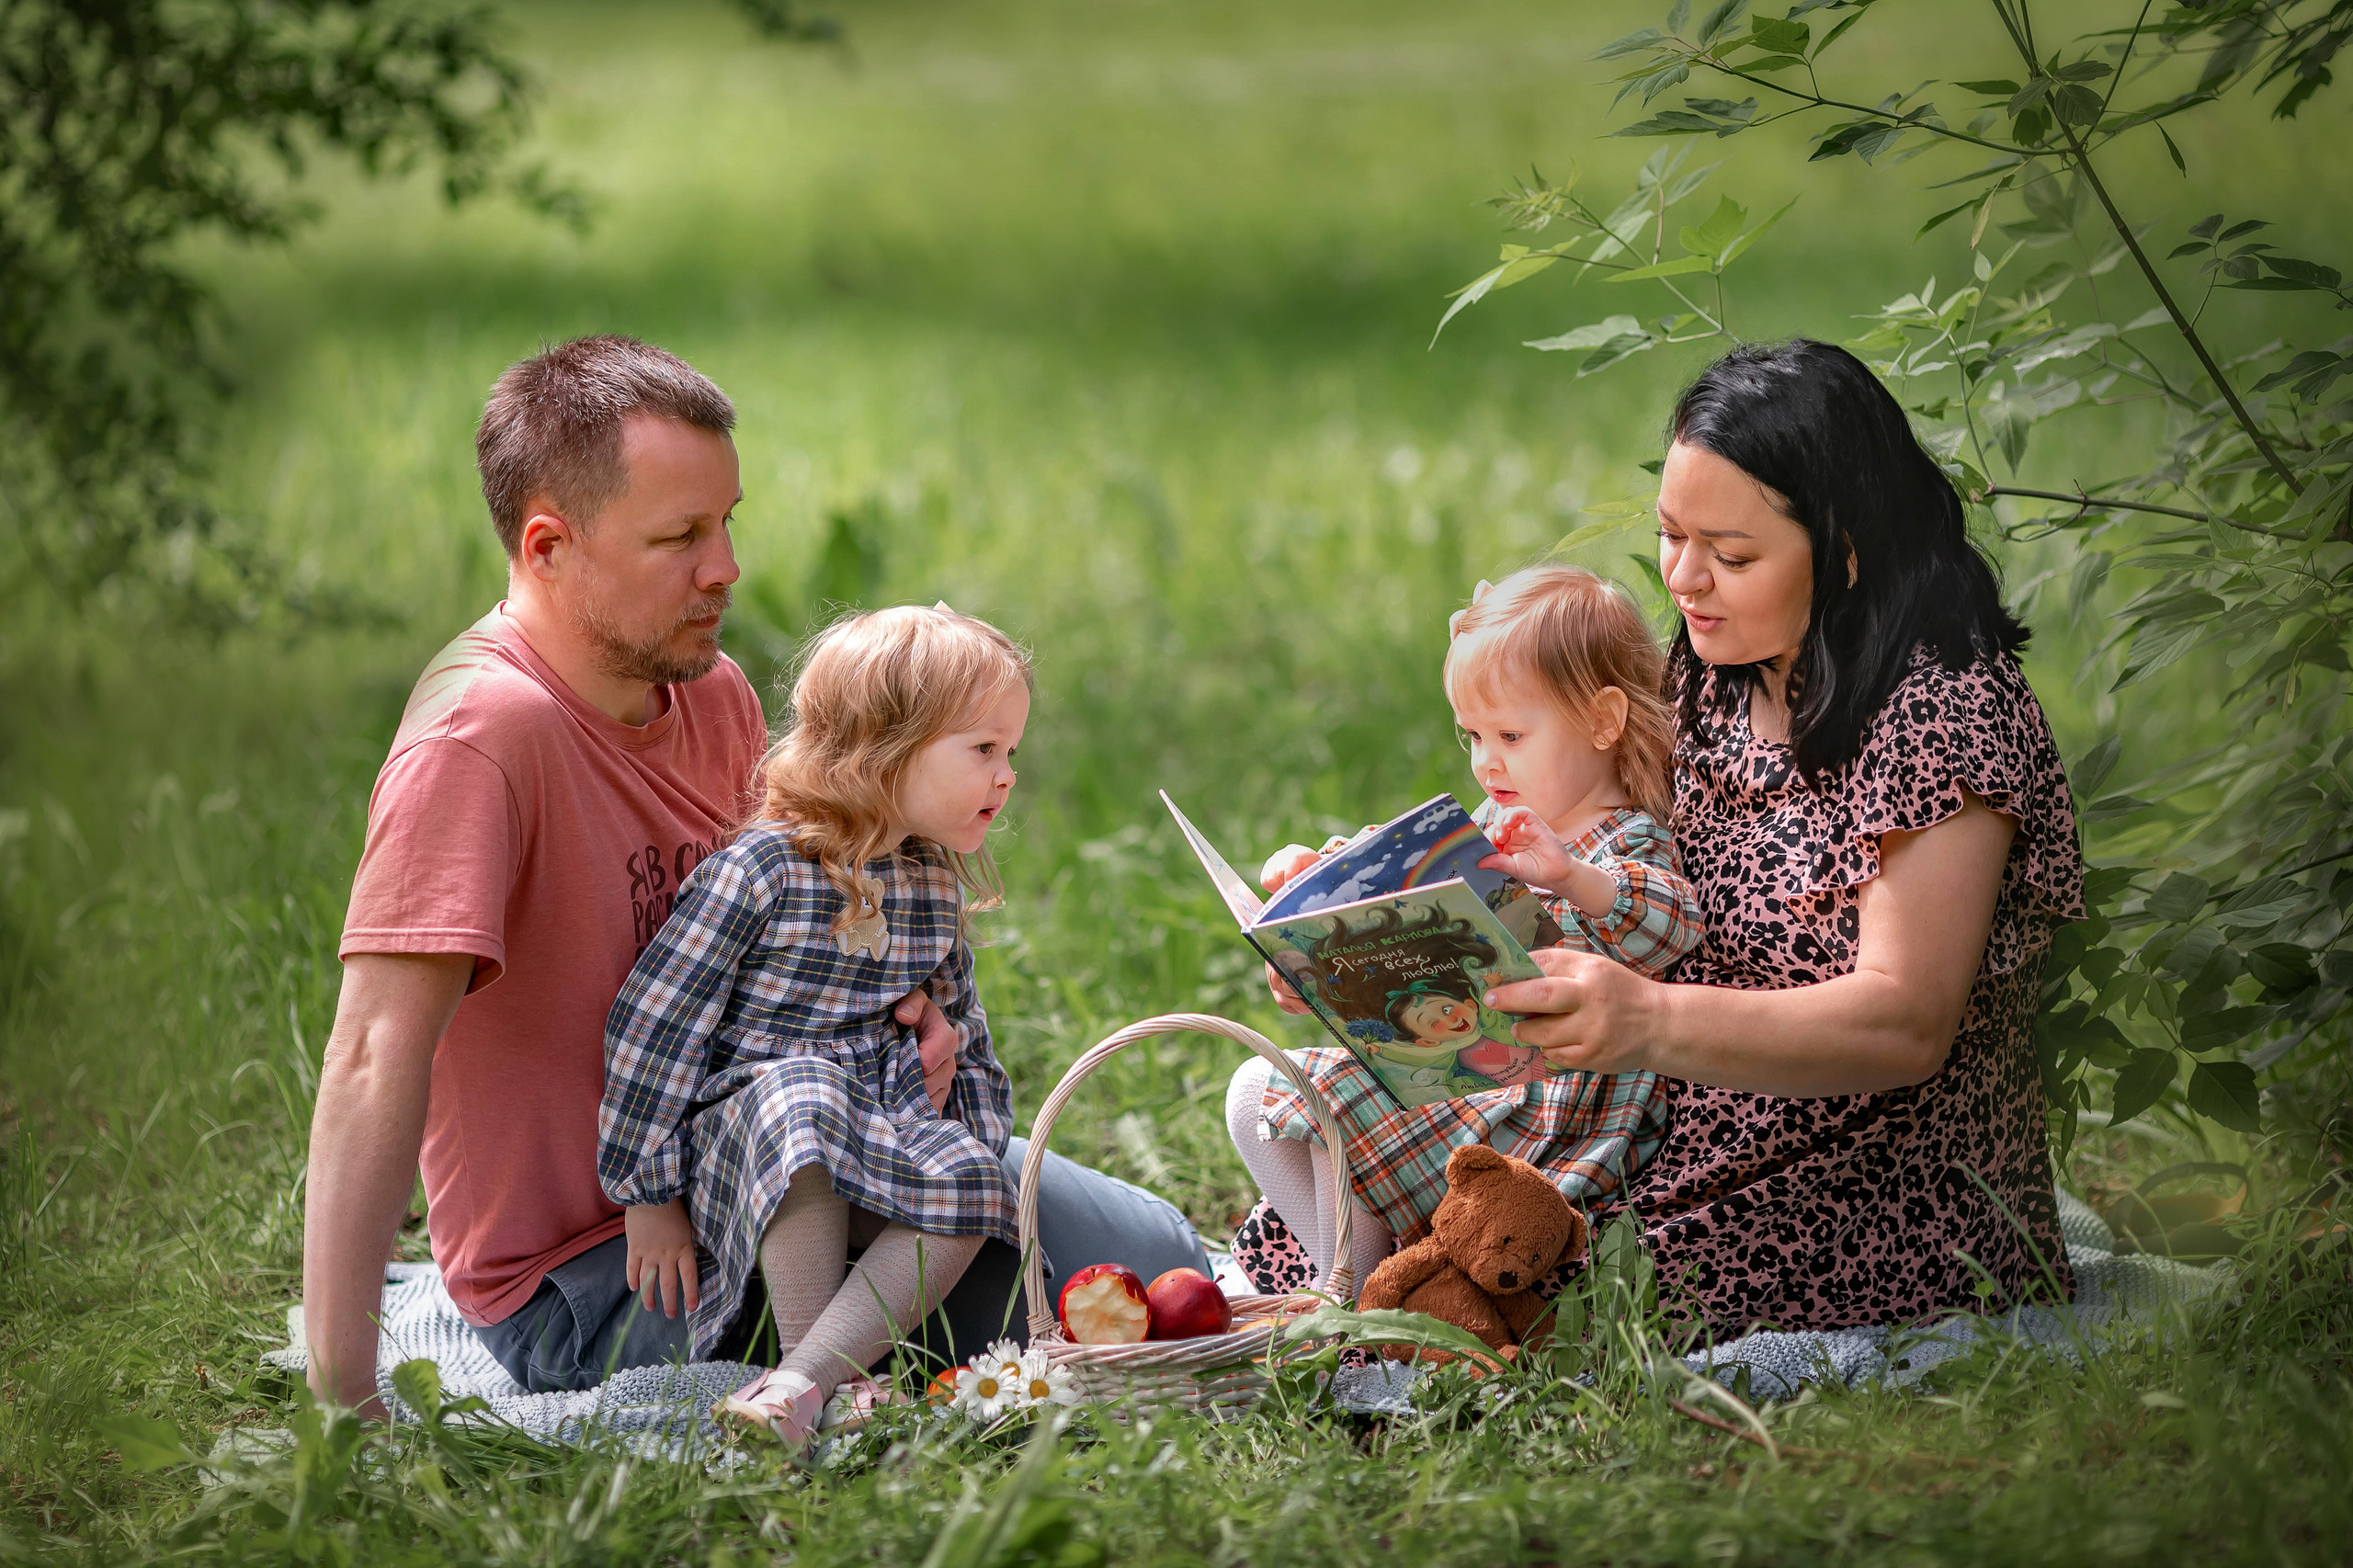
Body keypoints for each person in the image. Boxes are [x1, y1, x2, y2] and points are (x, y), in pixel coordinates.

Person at [304, 335, 1204, 1416]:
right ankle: (803, 1394)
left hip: (805, 1138)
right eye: (680, 535)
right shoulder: (477, 740)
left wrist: (902, 1015)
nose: (724, 564)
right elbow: (372, 1052)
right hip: (601, 1263)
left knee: (1158, 1255)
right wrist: (344, 1395)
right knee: (1075, 1308)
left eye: (728, 520)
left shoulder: (712, 690)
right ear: (549, 545)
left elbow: (801, 920)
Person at [1482, 339, 2086, 1333]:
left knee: (1507, 1289)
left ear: (1845, 551)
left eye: (1731, 555)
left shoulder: (1943, 711)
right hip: (1671, 1127)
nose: (1683, 578)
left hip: (1875, 1198)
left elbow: (1905, 1025)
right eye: (1671, 535)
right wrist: (1389, 938)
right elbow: (1605, 849)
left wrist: (1650, 1021)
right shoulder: (1722, 665)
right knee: (1408, 1199)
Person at [600, 605, 1035, 1448]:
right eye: (984, 749)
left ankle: (805, 1387)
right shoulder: (761, 873)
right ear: (886, 748)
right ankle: (812, 1367)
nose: (1006, 775)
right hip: (756, 1151)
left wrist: (968, 1147)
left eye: (1010, 752)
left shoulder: (929, 888)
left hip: (875, 1139)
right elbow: (656, 1029)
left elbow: (967, 1039)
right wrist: (646, 1195)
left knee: (977, 1181)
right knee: (807, 1092)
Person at [1225, 564, 1704, 1295]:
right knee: (1261, 1093)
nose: (1486, 760)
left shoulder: (1622, 840)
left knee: (1280, 1092)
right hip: (1455, 1079)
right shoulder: (1487, 826)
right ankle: (1352, 1281)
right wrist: (1320, 908)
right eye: (1473, 735)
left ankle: (1347, 1296)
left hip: (1545, 1112)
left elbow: (1671, 927)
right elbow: (1408, 909)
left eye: (1510, 733)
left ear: (1603, 721)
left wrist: (1571, 877)